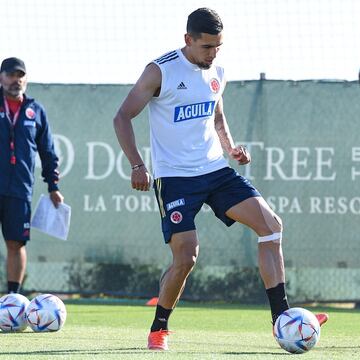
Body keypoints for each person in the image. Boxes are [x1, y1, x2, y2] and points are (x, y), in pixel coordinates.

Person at [113, 8, 328, 351]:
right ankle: (159, 328)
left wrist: (231, 148)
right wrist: (137, 165)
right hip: (176, 178)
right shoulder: (160, 71)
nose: (213, 53)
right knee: (186, 257)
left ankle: (282, 319)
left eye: (218, 46)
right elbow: (122, 116)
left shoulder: (217, 71)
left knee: (271, 226)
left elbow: (216, 115)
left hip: (215, 171)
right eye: (207, 47)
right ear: (188, 40)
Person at [0, 57, 64, 294]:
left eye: (20, 75)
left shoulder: (35, 110)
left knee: (16, 243)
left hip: (20, 189)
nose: (16, 80)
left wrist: (53, 186)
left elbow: (48, 152)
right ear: (1, 78)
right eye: (10, 75)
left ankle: (12, 299)